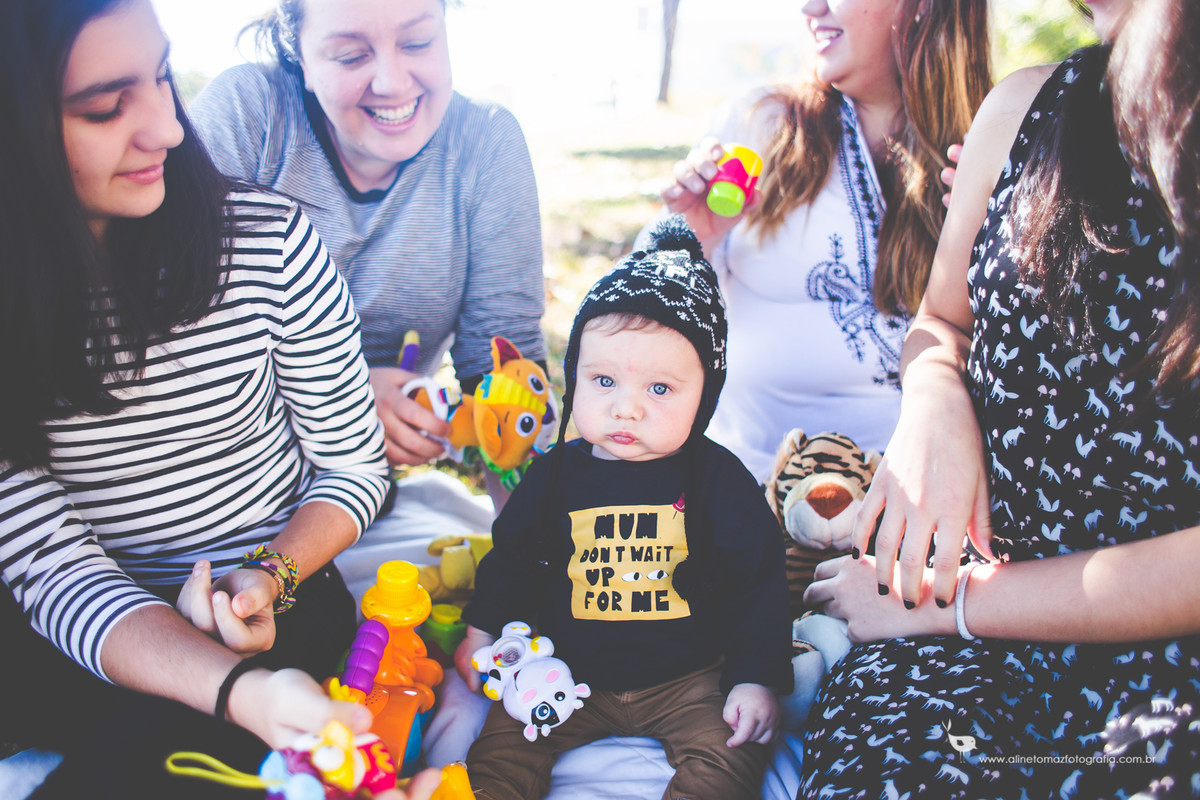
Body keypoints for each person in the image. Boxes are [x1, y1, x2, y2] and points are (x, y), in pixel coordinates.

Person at [800, 0, 1200, 795]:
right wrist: (934, 398)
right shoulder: (1021, 107)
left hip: (1154, 668)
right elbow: (943, 319)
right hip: (953, 647)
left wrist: (953, 605)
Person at [0, 0, 392, 796]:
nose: (170, 129)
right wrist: (227, 691)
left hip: (275, 610)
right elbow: (51, 570)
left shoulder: (269, 242)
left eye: (161, 77)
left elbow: (355, 467)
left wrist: (268, 575)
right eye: (107, 107)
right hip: (83, 631)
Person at [452, 218, 793, 800]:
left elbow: (757, 583)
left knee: (732, 750)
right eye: (603, 380)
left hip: (690, 680)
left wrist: (755, 679)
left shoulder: (716, 479)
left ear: (705, 395)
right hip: (565, 670)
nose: (625, 409)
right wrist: (482, 629)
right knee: (505, 742)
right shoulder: (556, 474)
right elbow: (511, 556)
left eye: (659, 390)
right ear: (573, 379)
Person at [187, 0, 547, 472]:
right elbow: (172, 346)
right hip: (223, 497)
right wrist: (342, 398)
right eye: (351, 56)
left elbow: (504, 368)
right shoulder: (249, 114)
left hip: (370, 498)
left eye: (417, 42)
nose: (393, 82)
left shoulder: (486, 143)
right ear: (300, 53)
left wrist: (530, 534)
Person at [658, 0, 991, 482]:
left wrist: (1003, 240)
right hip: (747, 499)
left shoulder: (1000, 142)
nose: (809, 7)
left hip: (917, 504)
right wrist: (691, 238)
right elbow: (636, 333)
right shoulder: (759, 126)